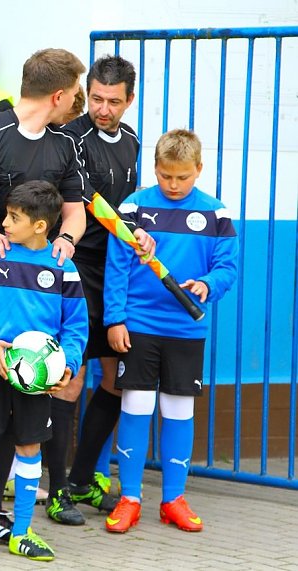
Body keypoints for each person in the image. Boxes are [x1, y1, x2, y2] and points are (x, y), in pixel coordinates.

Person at [0, 48, 153, 546]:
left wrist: (66, 244)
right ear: (59, 94)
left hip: (39, 294)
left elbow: (75, 211)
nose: (80, 101)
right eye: (77, 92)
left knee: (22, 395)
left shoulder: (63, 146)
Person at [103, 129, 237, 534]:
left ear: (199, 169)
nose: (173, 185)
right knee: (136, 407)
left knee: (179, 410)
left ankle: (173, 499)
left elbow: (227, 267)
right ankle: (129, 498)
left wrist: (208, 284)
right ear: (154, 170)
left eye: (182, 177)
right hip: (139, 325)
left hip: (186, 328)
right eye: (165, 176)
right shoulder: (134, 206)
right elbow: (117, 265)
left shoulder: (216, 213)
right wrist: (115, 319)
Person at [0, 180, 88, 562]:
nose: (5, 223)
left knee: (29, 448)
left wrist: (68, 364)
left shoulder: (64, 266)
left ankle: (22, 531)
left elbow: (76, 327)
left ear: (40, 225)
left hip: (37, 378)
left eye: (14, 218)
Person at [60, 55, 139, 523]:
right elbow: (92, 203)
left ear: (130, 100)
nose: (102, 109)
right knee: (68, 381)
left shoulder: (129, 140)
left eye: (113, 101)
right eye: (95, 98)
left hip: (118, 267)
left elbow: (131, 208)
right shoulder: (72, 140)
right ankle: (55, 488)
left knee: (115, 379)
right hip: (78, 267)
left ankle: (82, 477)